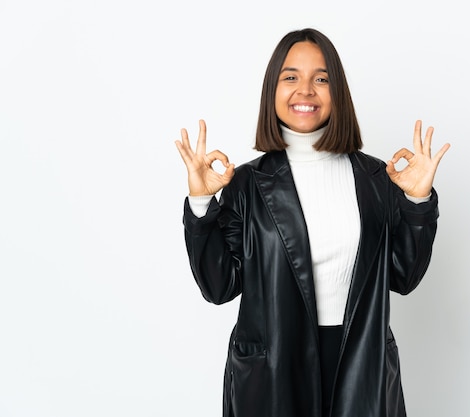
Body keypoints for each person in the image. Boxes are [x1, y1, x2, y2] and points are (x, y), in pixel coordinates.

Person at [175, 28, 450, 417]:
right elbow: (218, 287)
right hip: (272, 373)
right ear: (273, 90)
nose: (305, 90)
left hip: (361, 364)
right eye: (291, 77)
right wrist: (202, 204)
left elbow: (404, 277)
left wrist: (417, 201)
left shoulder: (376, 180)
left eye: (321, 79)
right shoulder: (246, 184)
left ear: (337, 92)